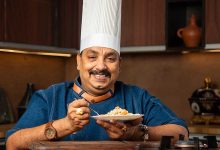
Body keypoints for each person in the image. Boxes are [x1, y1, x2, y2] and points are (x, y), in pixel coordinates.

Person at [6, 0, 188, 149]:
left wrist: (136, 132)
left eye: (110, 58)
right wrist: (65, 126)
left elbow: (181, 133)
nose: (101, 66)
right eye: (92, 56)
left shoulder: (137, 97)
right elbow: (13, 143)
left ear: (119, 64)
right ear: (79, 61)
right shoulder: (50, 97)